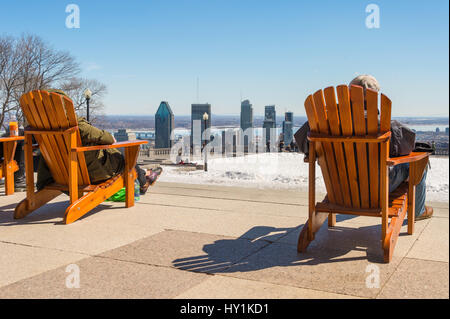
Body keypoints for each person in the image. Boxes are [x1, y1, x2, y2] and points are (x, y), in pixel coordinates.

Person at [294, 75, 433, 221]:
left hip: (338, 188)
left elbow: (303, 145)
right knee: (418, 163)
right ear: (375, 96)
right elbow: (406, 148)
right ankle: (418, 211)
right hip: (376, 190)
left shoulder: (321, 123)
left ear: (348, 93)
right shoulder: (385, 125)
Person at [35, 89, 162, 195]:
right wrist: (111, 138)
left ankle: (144, 176)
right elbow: (106, 138)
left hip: (58, 173)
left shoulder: (39, 128)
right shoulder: (74, 124)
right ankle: (143, 180)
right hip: (90, 173)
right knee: (126, 157)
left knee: (123, 156)